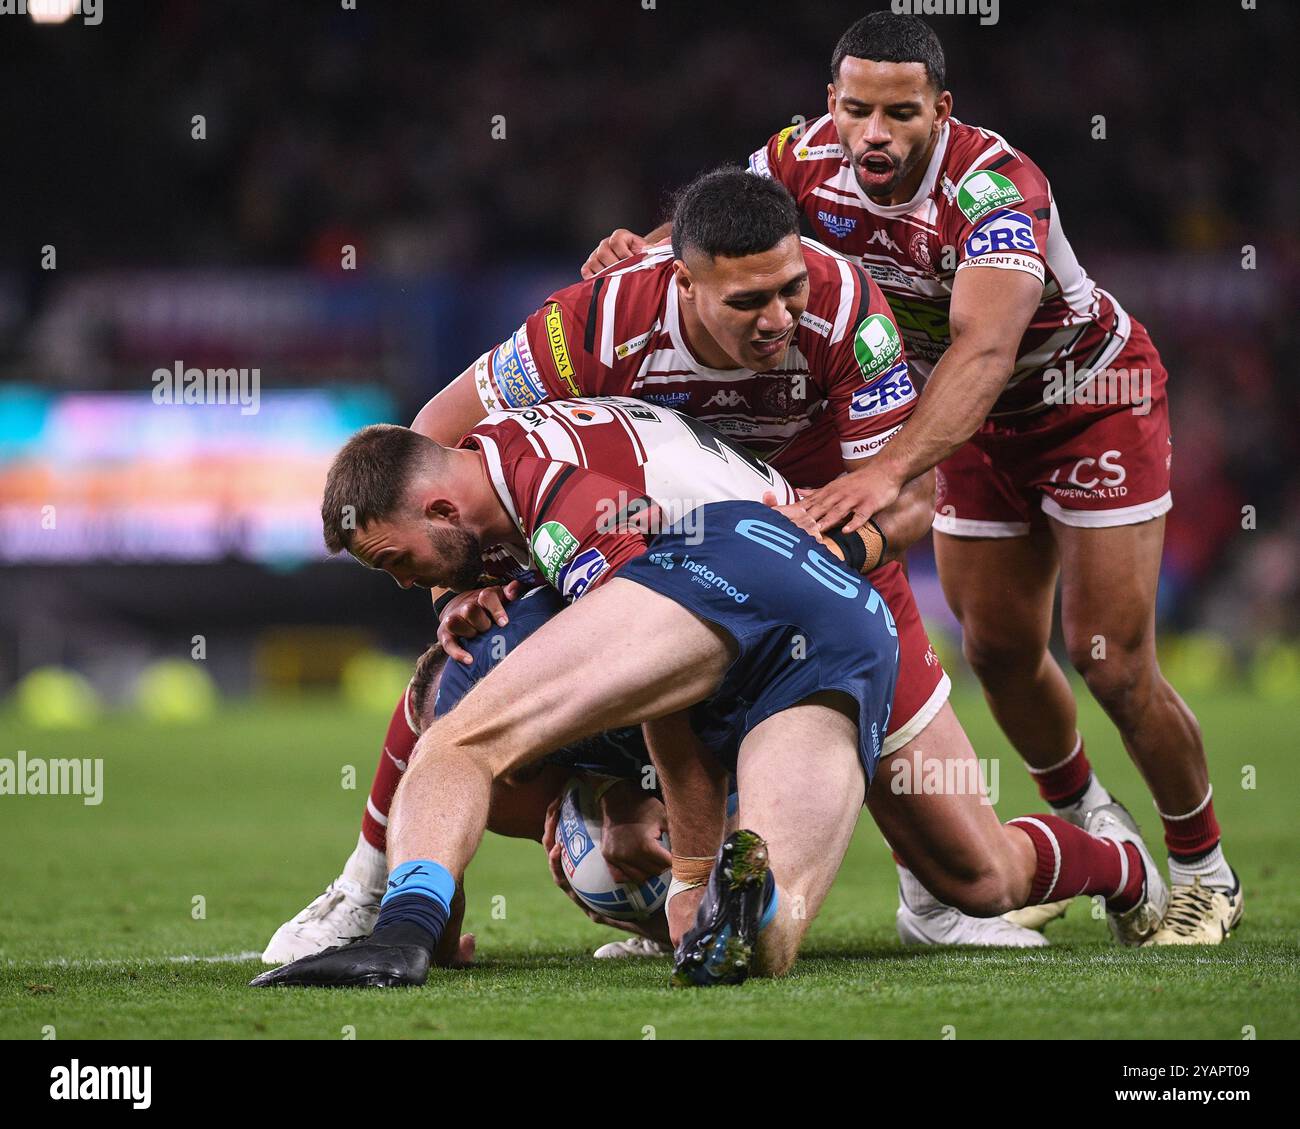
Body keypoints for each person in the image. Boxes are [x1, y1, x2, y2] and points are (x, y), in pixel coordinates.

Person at [581, 12, 1239, 946]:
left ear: (943, 109)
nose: (875, 134)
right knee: (1001, 651)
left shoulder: (996, 189)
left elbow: (982, 350)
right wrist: (643, 253)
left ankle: (1203, 867)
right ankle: (1093, 815)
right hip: (957, 424)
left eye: (900, 113)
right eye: (857, 110)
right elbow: (720, 237)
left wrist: (887, 467)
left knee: (1107, 656)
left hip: (1084, 402)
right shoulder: (797, 158)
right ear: (831, 105)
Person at [250, 397, 1167, 989]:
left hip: (737, 572)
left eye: (398, 563)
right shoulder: (500, 473)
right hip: (835, 619)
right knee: (968, 876)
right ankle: (1119, 864)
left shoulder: (558, 497)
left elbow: (662, 686)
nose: (410, 585)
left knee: (456, 722)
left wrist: (672, 854)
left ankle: (391, 922)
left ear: (442, 511)